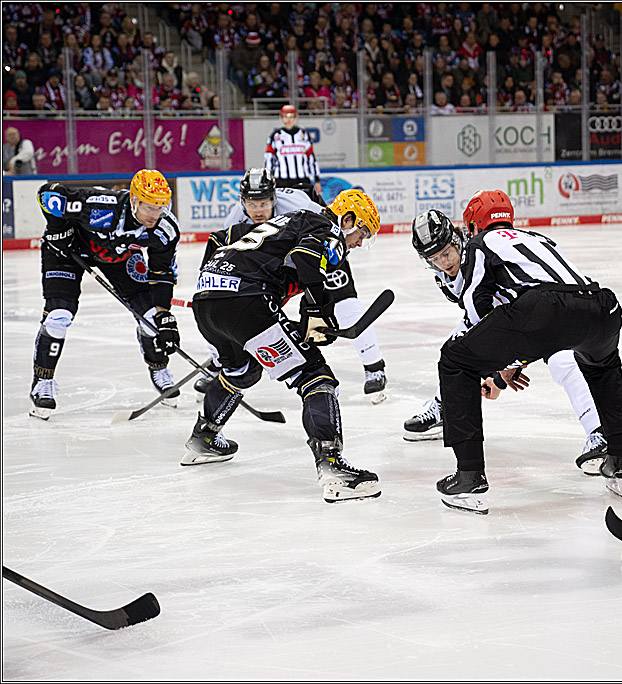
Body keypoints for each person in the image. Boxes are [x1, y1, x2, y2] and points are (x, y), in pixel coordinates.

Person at [434, 190, 622, 514]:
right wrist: (507, 363)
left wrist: (494, 363)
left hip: (545, 310)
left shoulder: (479, 244)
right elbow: (557, 319)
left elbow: (477, 310)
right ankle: (620, 457)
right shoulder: (538, 238)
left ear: (473, 224)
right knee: (602, 366)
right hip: (601, 306)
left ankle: (469, 475)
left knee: (455, 360)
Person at [184, 189, 382, 503]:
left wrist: (311, 319)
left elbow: (234, 245)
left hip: (207, 301)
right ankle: (332, 468)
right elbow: (306, 260)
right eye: (363, 233)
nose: (359, 242)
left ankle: (204, 437)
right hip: (245, 301)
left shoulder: (292, 220)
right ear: (348, 219)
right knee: (314, 375)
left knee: (242, 371)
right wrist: (319, 312)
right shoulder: (325, 226)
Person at [406, 209, 608, 473]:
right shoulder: (468, 260)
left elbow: (504, 321)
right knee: (458, 343)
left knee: (561, 360)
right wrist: (502, 374)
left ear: (459, 239)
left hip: (546, 311)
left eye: (445, 253)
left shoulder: (479, 254)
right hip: (539, 313)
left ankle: (598, 431)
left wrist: (503, 372)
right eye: (434, 258)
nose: (443, 262)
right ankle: (443, 405)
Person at [197, 168, 388, 402]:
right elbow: (219, 242)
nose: (258, 210)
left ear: (274, 198)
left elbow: (321, 244)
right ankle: (224, 360)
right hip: (277, 264)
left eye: (264, 203)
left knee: (344, 301)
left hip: (324, 252)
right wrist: (210, 283)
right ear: (242, 202)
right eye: (252, 204)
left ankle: (373, 365)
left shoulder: (301, 207)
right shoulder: (237, 218)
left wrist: (316, 307)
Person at [31, 170, 181, 419]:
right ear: (134, 200)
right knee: (59, 315)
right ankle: (41, 383)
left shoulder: (165, 229)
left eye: (161, 207)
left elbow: (162, 273)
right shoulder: (101, 206)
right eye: (149, 207)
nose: (155, 215)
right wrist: (58, 231)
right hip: (67, 252)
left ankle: (159, 369)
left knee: (150, 317)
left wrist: (164, 316)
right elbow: (48, 193)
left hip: (119, 257)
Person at [264, 104, 322, 201]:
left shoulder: (304, 135)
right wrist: (268, 179)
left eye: (291, 116)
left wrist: (317, 180)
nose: (288, 119)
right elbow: (269, 159)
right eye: (285, 116)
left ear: (295, 118)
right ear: (281, 118)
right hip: (281, 180)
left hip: (302, 179)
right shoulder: (275, 136)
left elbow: (311, 158)